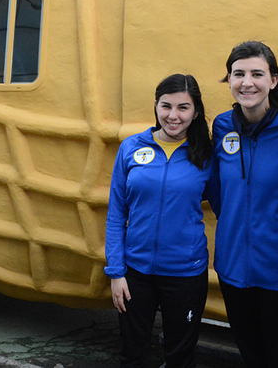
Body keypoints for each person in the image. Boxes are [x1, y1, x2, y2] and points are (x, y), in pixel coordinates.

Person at [207, 41, 278, 368]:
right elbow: (218, 191)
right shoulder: (223, 126)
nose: (247, 82)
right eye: (238, 74)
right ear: (229, 80)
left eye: (257, 73)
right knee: (252, 355)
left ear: (274, 81)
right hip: (233, 270)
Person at [105, 73, 213, 368]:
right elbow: (116, 214)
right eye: (166, 106)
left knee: (179, 357)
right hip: (135, 273)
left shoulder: (205, 155)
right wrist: (116, 272)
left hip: (186, 275)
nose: (173, 116)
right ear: (156, 106)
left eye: (183, 108)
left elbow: (226, 206)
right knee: (132, 354)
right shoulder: (131, 148)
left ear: (196, 111)